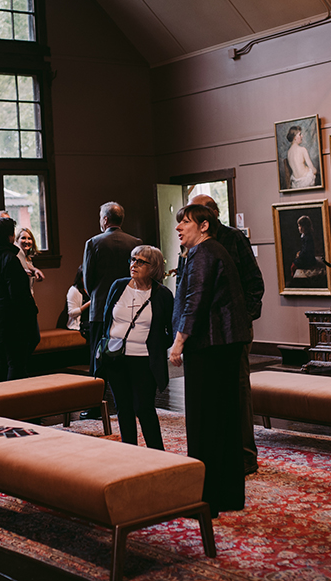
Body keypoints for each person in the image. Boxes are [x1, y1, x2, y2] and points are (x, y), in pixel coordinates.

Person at [169, 204, 250, 518]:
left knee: (204, 423)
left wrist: (178, 342)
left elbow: (196, 299)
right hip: (223, 345)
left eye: (185, 223)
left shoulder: (204, 253)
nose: (179, 228)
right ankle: (227, 495)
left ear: (204, 226)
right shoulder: (211, 251)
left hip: (210, 346)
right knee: (225, 421)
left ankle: (205, 500)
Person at [189, 194, 264, 476]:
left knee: (239, 390)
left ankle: (245, 456)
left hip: (233, 330)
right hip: (203, 335)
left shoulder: (233, 239)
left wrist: (244, 318)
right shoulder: (191, 245)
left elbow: (254, 283)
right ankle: (218, 453)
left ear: (209, 218)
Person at [99, 245, 173, 450]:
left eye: (141, 261)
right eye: (132, 259)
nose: (134, 264)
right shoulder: (118, 286)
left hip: (143, 358)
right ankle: (129, 451)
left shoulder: (163, 294)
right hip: (115, 357)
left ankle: (158, 453)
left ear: (154, 267)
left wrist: (156, 345)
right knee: (123, 408)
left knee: (144, 408)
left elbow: (170, 329)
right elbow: (107, 318)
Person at [83, 201, 142, 416]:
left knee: (98, 356)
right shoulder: (135, 243)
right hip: (129, 307)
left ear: (105, 220)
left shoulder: (93, 243)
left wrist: (98, 296)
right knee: (129, 354)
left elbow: (88, 281)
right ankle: (130, 404)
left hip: (100, 309)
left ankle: (94, 406)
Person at [0, 215, 39, 382]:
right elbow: (18, 294)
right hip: (11, 319)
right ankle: (16, 403)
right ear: (10, 236)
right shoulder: (9, 259)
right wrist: (31, 311)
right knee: (16, 364)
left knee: (0, 363)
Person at [15, 227, 45, 293]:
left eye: (29, 238)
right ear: (17, 240)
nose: (27, 241)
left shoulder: (28, 258)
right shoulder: (15, 257)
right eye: (23, 238)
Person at [66, 267, 91, 337]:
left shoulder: (91, 289)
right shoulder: (74, 290)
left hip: (91, 320)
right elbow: (71, 313)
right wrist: (88, 304)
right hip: (81, 323)